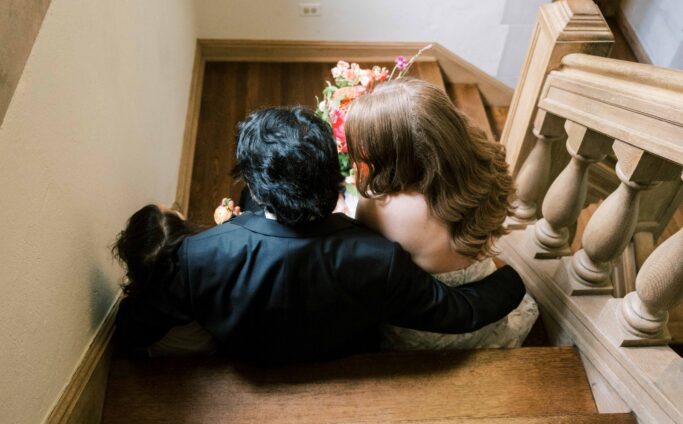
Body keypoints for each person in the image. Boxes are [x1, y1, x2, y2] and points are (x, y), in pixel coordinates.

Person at [113, 106, 528, 364]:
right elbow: (459, 312)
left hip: (251, 361)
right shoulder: (379, 257)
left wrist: (126, 354)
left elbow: (140, 321)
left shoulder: (197, 256)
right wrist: (513, 279)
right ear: (336, 184)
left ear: (255, 189)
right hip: (346, 358)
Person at [344, 78, 538, 350]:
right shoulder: (486, 168)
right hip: (483, 308)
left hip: (425, 324)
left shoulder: (378, 207)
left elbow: (363, 261)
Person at [112, 204, 215, 357]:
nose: (177, 210)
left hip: (158, 362)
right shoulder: (210, 282)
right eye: (175, 212)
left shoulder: (133, 314)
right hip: (214, 354)